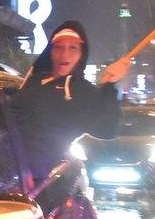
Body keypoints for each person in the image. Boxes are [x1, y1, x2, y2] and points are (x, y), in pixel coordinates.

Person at [10, 21, 131, 180]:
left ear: (81, 54)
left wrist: (110, 85)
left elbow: (108, 129)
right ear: (50, 51)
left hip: (36, 183)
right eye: (58, 47)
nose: (64, 54)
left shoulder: (82, 92)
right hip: (3, 170)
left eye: (73, 48)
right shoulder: (33, 81)